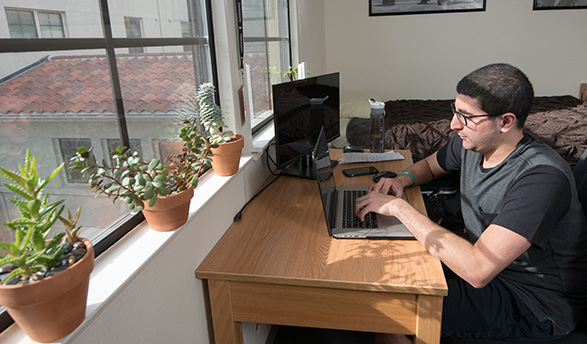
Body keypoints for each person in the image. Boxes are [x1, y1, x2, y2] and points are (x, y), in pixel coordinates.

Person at [356, 63, 587, 343]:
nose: (454, 124)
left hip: (531, 302)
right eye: (455, 111)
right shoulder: (473, 143)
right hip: (486, 268)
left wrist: (398, 208)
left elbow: (478, 270)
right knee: (390, 274)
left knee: (392, 312)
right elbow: (430, 166)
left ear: (505, 122)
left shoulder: (541, 177)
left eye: (465, 116)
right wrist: (402, 179)